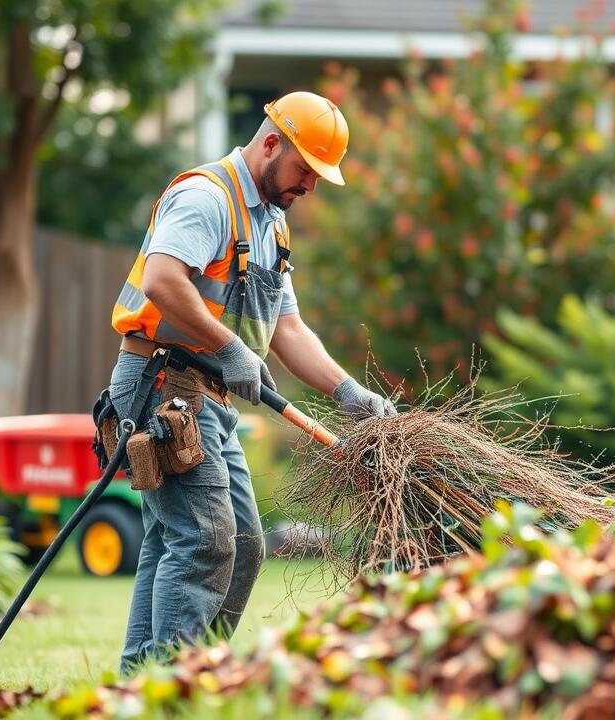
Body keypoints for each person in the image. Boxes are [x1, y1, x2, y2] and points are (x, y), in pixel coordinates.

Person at [104, 90, 396, 674]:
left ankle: (155, 681)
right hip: (161, 385)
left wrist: (349, 392)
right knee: (205, 538)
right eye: (305, 170)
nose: (309, 186)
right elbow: (162, 280)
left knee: (238, 546)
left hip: (207, 399)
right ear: (270, 144)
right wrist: (230, 347)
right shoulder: (207, 197)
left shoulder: (272, 225)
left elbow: (287, 328)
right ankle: (173, 689)